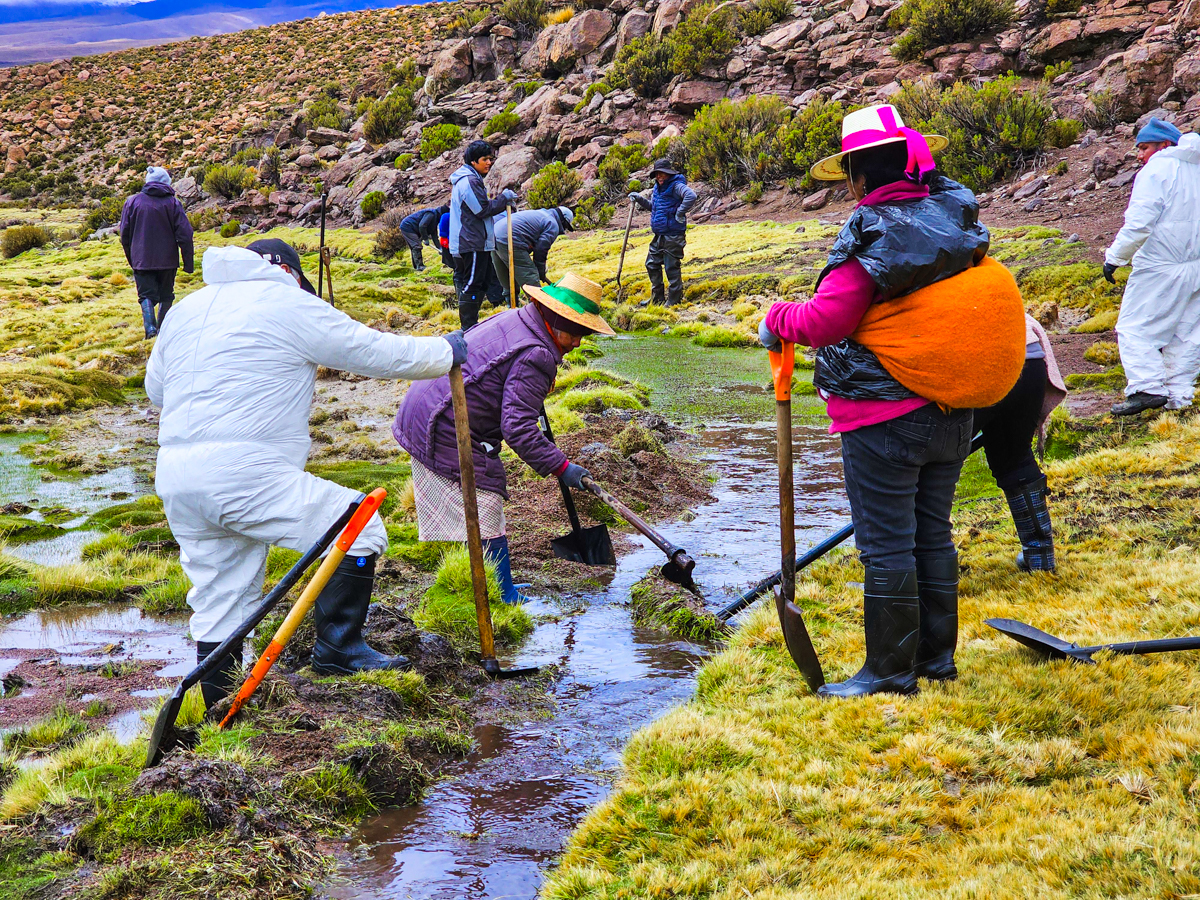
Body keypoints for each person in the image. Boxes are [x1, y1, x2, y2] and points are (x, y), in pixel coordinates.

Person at [758, 104, 1025, 698]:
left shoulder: (878, 229)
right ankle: (936, 659)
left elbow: (828, 320)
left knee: (885, 542)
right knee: (932, 533)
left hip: (884, 417)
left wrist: (777, 316)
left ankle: (889, 671)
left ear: (856, 173)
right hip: (953, 409)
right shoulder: (953, 221)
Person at [146, 238, 466, 708]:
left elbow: (157, 390)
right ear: (290, 272)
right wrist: (446, 352)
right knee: (360, 526)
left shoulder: (186, 310)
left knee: (219, 598)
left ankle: (219, 708)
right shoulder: (286, 302)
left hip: (176, 474)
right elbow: (371, 350)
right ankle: (339, 650)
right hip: (245, 471)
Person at [394, 272, 615, 606]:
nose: (578, 342)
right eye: (576, 331)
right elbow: (519, 429)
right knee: (484, 499)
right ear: (554, 319)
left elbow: (502, 380)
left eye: (584, 333)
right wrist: (563, 467)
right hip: (442, 420)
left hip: (427, 401)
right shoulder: (537, 355)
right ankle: (501, 596)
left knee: (482, 498)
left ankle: (483, 580)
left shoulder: (521, 319)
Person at [1103, 119, 1200, 415]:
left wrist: (1115, 257)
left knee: (1135, 327)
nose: (1140, 155)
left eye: (1144, 147)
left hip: (1161, 264)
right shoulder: (1196, 169)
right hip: (1196, 265)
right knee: (1187, 331)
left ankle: (1147, 387)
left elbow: (1139, 223)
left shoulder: (1156, 170)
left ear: (1164, 145)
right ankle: (1178, 397)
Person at [972, 314, 1067, 572]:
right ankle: (1040, 557)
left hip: (977, 362)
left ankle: (916, 567)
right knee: (1014, 457)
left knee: (931, 460)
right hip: (1028, 356)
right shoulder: (982, 275)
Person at [119, 166, 194, 339]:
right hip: (168, 261)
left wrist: (133, 258)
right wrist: (188, 263)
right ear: (166, 182)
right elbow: (185, 234)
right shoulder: (173, 203)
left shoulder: (132, 202)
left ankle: (150, 330)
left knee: (146, 295)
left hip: (141, 259)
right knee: (166, 294)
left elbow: (125, 235)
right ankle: (163, 331)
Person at [450, 140, 518, 329]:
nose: (489, 163)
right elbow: (481, 209)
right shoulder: (469, 181)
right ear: (473, 161)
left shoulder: (471, 179)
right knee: (472, 283)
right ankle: (468, 327)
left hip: (476, 241)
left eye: (490, 159)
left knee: (481, 282)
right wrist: (504, 198)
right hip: (471, 242)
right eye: (485, 159)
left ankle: (472, 324)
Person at [629, 159, 697, 306]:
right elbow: (654, 207)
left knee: (671, 267)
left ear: (669, 173)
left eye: (662, 174)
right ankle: (657, 298)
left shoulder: (676, 185)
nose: (659, 177)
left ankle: (673, 300)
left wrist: (680, 213)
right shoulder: (658, 188)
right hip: (659, 234)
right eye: (657, 174)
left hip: (673, 234)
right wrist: (639, 199)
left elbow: (691, 196)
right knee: (651, 264)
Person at [492, 206, 575, 305]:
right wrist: (540, 271)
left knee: (507, 275)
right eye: (566, 227)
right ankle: (538, 308)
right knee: (530, 276)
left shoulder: (540, 214)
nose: (564, 230)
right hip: (511, 239)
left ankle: (511, 304)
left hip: (494, 235)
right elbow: (541, 249)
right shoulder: (552, 223)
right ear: (563, 221)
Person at [399, 204, 449, 272]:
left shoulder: (435, 219)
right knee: (416, 246)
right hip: (408, 226)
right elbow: (422, 226)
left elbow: (434, 235)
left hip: (413, 228)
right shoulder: (431, 214)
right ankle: (419, 266)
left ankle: (416, 266)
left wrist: (439, 248)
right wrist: (425, 239)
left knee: (415, 247)